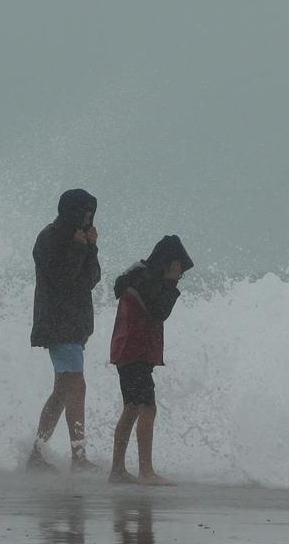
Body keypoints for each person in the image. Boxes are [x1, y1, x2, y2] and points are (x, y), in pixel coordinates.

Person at [107, 235, 193, 486]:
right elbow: (160, 311)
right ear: (170, 263)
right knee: (146, 407)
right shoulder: (148, 282)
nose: (179, 274)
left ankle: (118, 470)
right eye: (178, 269)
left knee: (132, 407)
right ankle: (145, 471)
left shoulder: (139, 275)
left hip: (128, 352)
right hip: (133, 352)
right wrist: (170, 285)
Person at [27, 188, 102, 472]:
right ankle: (79, 457)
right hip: (58, 323)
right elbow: (63, 279)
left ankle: (36, 453)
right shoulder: (50, 238)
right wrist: (79, 247)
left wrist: (90, 247)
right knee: (76, 386)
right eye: (84, 212)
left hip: (74, 324)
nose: (88, 218)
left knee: (62, 391)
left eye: (91, 213)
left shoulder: (79, 239)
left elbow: (92, 278)